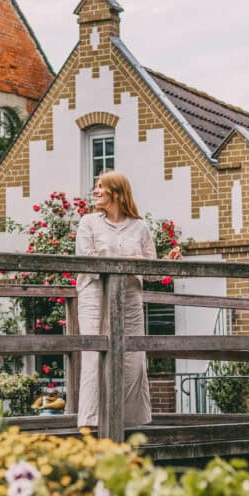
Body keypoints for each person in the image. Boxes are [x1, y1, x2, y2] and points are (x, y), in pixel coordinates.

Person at [75, 170, 181, 428]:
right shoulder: (88, 223)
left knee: (133, 359)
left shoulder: (139, 226)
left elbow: (150, 270)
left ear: (118, 193)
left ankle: (130, 420)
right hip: (95, 295)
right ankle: (91, 421)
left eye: (102, 187)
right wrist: (132, 262)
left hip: (130, 297)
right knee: (95, 355)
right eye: (96, 186)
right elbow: (88, 259)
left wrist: (166, 264)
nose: (96, 191)